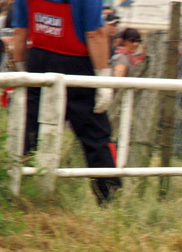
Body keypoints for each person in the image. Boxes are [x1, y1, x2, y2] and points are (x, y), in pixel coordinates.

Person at [11, 0, 121, 204]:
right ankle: (110, 199)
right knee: (95, 136)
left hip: (39, 58)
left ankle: (18, 192)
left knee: (29, 130)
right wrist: (103, 81)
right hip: (77, 63)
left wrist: (21, 70)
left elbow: (20, 32)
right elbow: (94, 34)